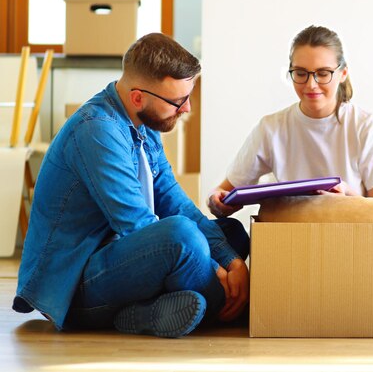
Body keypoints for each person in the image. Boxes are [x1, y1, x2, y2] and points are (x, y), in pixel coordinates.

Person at [13, 33, 249, 338]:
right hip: (75, 287)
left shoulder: (143, 123)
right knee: (182, 236)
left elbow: (173, 201)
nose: (187, 108)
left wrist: (231, 261)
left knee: (230, 234)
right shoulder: (97, 130)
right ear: (138, 97)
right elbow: (137, 223)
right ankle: (232, 307)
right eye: (178, 101)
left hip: (119, 261)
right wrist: (221, 273)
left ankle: (145, 313)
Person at [208, 25, 373, 282]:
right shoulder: (271, 127)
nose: (311, 85)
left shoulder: (366, 124)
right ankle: (371, 286)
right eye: (300, 73)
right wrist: (219, 202)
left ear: (342, 73)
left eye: (323, 73)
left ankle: (366, 285)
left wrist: (349, 198)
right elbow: (225, 195)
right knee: (221, 233)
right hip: (295, 247)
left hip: (358, 245)